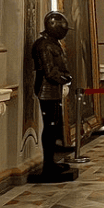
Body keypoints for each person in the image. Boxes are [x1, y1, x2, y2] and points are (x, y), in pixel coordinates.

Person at [31, 10, 75, 178]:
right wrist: (65, 79)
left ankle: (52, 161)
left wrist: (66, 77)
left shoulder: (53, 43)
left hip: (55, 89)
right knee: (49, 128)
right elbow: (49, 72)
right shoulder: (43, 45)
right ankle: (48, 164)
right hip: (46, 89)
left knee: (54, 126)